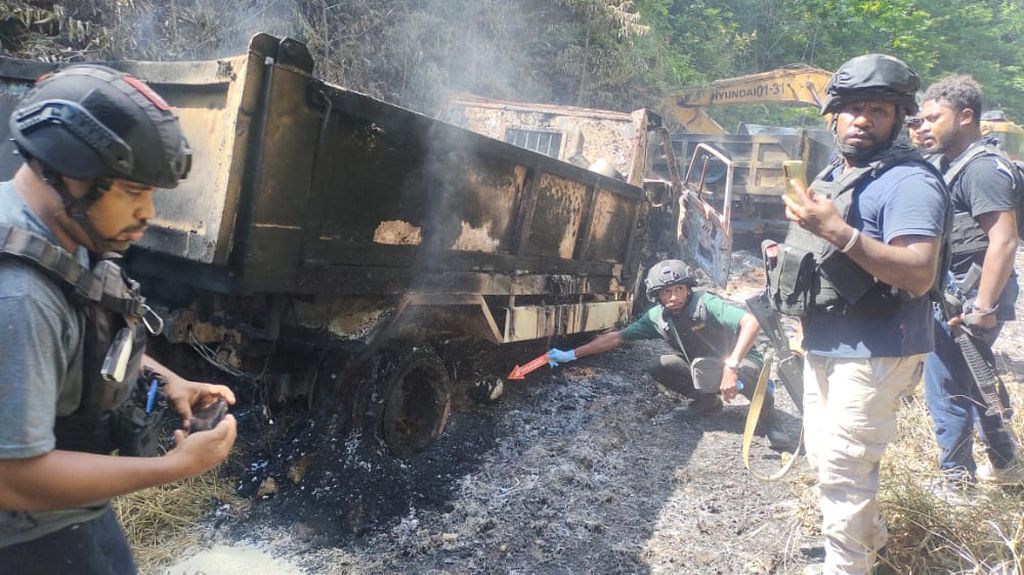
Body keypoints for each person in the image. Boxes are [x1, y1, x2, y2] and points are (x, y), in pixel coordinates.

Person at [0, 65, 237, 574]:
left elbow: (77, 337)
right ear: (68, 172)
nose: (148, 212)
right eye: (132, 191)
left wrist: (166, 378)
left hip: (66, 516)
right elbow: (13, 477)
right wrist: (172, 468)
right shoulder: (18, 296)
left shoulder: (55, 233)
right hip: (25, 539)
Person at [776, 54, 948, 574]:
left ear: (899, 119)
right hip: (827, 339)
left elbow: (919, 272)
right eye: (851, 109)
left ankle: (846, 568)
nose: (861, 120)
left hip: (879, 343)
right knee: (824, 460)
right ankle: (873, 549)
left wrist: (838, 234)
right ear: (834, 115)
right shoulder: (840, 172)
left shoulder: (909, 183)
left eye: (878, 110)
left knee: (845, 468)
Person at [546, 259, 791, 449]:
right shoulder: (657, 318)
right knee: (661, 365)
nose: (673, 297)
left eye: (678, 289)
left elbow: (751, 322)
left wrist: (732, 365)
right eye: (665, 292)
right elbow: (617, 337)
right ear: (657, 296)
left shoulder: (707, 304)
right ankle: (708, 403)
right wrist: (571, 354)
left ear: (688, 288)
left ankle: (770, 420)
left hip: (740, 361)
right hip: (703, 366)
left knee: (748, 373)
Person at [916, 75, 1022, 487]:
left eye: (932, 118)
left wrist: (983, 308)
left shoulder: (982, 169)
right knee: (977, 378)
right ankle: (1007, 462)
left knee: (946, 388)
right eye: (919, 120)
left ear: (965, 116)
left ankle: (956, 480)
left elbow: (1004, 239)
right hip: (958, 294)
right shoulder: (950, 163)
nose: (923, 127)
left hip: (970, 298)